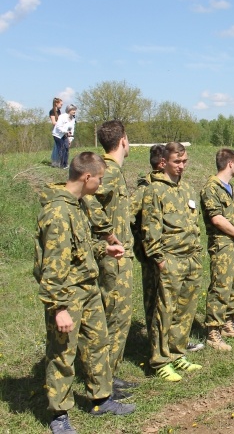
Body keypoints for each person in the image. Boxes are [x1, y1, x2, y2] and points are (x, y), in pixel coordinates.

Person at [34, 152, 135, 434]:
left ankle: (100, 399)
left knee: (96, 344)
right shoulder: (57, 211)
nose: (101, 184)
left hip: (88, 287)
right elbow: (52, 265)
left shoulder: (76, 205)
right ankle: (59, 415)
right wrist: (59, 308)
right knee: (62, 354)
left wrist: (105, 248)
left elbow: (80, 247)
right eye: (100, 179)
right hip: (68, 294)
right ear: (87, 177)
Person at [83, 121, 138, 397]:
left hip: (115, 254)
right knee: (116, 316)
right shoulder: (110, 171)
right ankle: (104, 379)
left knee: (113, 315)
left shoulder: (108, 169)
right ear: (124, 141)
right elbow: (87, 199)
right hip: (114, 257)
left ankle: (108, 375)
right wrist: (107, 233)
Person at [141, 142, 203, 382]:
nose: (182, 166)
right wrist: (159, 260)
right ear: (165, 162)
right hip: (170, 260)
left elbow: (193, 223)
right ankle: (160, 360)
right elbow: (150, 228)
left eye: (184, 161)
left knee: (184, 312)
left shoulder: (187, 188)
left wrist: (196, 253)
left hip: (191, 259)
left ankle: (178, 353)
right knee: (164, 312)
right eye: (177, 162)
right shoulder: (154, 190)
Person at [200, 149, 234, 351]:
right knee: (221, 285)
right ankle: (213, 331)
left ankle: (227, 325)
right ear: (230, 163)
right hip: (222, 244)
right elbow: (216, 218)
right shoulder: (210, 188)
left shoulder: (230, 188)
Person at [131, 144, 166, 345]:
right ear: (162, 162)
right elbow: (128, 216)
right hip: (152, 253)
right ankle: (155, 342)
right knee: (154, 298)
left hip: (171, 252)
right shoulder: (146, 188)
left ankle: (170, 339)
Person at [52, 104, 77, 169]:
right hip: (58, 135)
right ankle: (62, 165)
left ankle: (65, 164)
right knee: (62, 149)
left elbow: (72, 129)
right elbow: (58, 126)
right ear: (69, 110)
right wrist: (66, 132)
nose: (74, 111)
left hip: (65, 135)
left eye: (75, 110)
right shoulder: (62, 116)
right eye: (73, 110)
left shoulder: (73, 119)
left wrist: (70, 139)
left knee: (66, 148)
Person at [48, 97, 63, 167]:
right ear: (56, 104)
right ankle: (55, 161)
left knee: (58, 146)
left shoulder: (59, 112)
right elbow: (54, 122)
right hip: (56, 131)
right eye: (61, 104)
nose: (61, 106)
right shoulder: (52, 111)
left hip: (60, 131)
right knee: (57, 146)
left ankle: (58, 161)